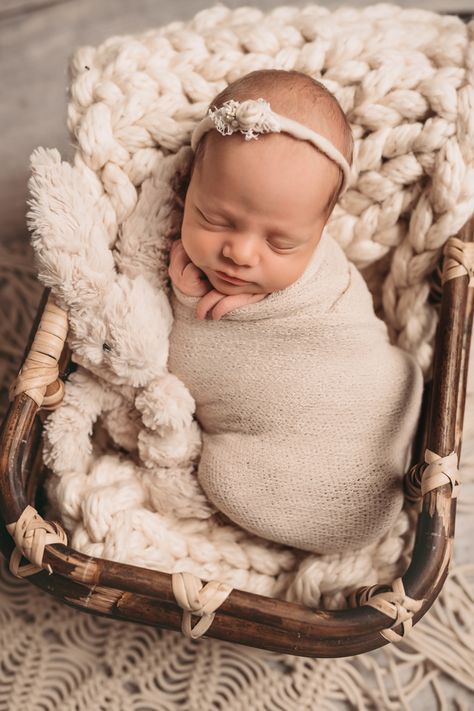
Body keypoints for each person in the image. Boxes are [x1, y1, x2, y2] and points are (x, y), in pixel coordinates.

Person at [166, 69, 424, 555]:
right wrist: (185, 300)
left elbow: (343, 312)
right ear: (189, 185)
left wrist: (202, 310)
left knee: (223, 476)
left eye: (281, 242)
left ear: (320, 230)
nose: (240, 253)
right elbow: (169, 367)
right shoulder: (174, 254)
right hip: (273, 439)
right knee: (221, 473)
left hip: (372, 404)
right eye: (213, 219)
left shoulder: (325, 277)